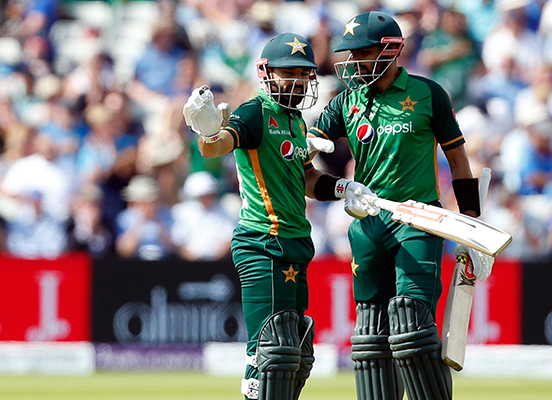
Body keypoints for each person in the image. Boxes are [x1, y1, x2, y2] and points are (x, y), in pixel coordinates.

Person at [308, 11, 494, 400]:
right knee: (371, 337)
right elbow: (305, 156)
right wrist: (339, 187)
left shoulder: (428, 94)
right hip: (367, 223)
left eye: (361, 52)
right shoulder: (346, 102)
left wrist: (472, 228)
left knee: (411, 323)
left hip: (417, 221)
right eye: (349, 53)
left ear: (390, 50)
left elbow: (459, 163)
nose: (352, 61)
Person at [181, 32, 375, 400]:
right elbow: (218, 145)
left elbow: (305, 177)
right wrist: (206, 130)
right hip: (262, 241)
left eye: (304, 74)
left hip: (295, 243)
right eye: (290, 73)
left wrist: (344, 188)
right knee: (272, 350)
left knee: (296, 351)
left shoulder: (297, 121)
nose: (299, 81)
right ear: (266, 72)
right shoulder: (255, 112)